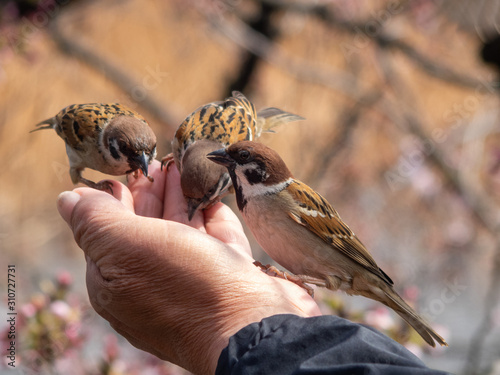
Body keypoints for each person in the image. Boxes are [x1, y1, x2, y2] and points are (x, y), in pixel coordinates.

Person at [57, 161, 450, 375]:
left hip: (349, 268)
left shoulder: (290, 200)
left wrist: (241, 311)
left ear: (260, 173)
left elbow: (339, 243)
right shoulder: (253, 204)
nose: (228, 167)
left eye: (239, 162)